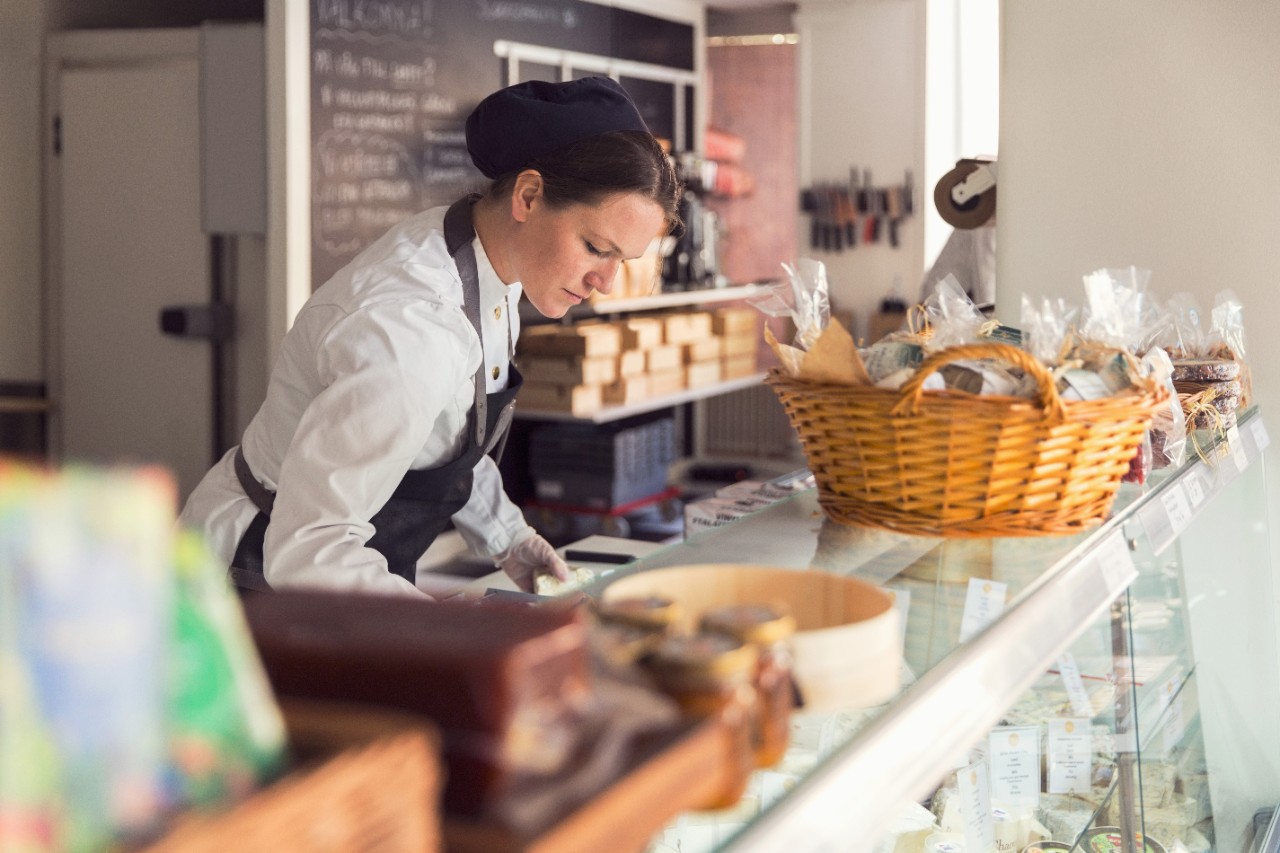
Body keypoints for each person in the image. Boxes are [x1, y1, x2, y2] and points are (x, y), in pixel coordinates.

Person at [178, 76, 682, 595]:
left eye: (624, 259)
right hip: (251, 573)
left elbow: (446, 436)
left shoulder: (486, 264)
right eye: (597, 247)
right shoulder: (411, 328)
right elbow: (310, 546)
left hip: (336, 565)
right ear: (529, 196)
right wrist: (441, 631)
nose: (607, 282)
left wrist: (509, 538)